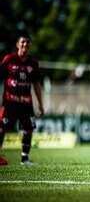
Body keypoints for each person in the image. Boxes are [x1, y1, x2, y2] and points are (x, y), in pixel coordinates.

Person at [0, 33, 44, 166]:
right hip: (9, 102)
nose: (25, 44)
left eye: (27, 42)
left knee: (29, 129)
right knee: (2, 128)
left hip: (26, 103)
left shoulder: (33, 63)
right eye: (23, 42)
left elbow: (36, 84)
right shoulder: (9, 59)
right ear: (17, 44)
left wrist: (40, 104)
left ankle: (25, 158)